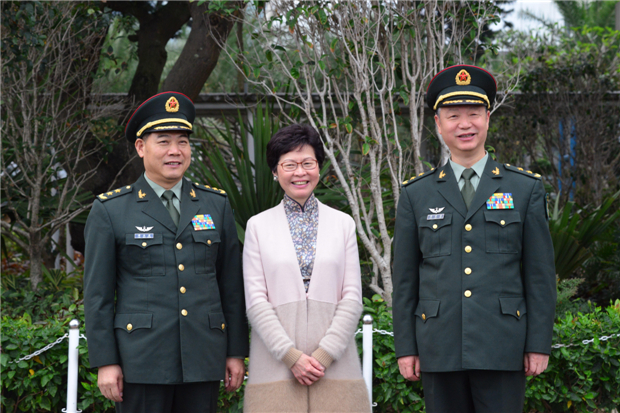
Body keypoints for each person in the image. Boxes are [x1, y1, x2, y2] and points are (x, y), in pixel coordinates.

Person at [392, 65, 557, 413]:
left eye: (474, 114)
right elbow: (405, 280)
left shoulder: (524, 189)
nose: (464, 124)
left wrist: (539, 343)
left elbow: (539, 275)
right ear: (438, 124)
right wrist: (407, 348)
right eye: (453, 116)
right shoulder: (416, 194)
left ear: (487, 118)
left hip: (502, 345)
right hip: (439, 346)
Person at [83, 91, 249, 413]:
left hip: (203, 356)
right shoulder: (111, 210)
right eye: (163, 141)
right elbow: (98, 296)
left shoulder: (216, 204)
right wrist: (106, 362)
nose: (175, 151)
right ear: (141, 147)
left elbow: (231, 286)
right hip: (142, 360)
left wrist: (234, 352)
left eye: (183, 141)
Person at [241, 124, 371, 412]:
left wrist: (323, 356)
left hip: (336, 369)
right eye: (289, 164)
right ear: (275, 171)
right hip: (276, 368)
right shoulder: (257, 227)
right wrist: (292, 357)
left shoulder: (343, 224)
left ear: (319, 167)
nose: (300, 172)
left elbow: (352, 297)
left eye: (308, 163)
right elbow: (256, 301)